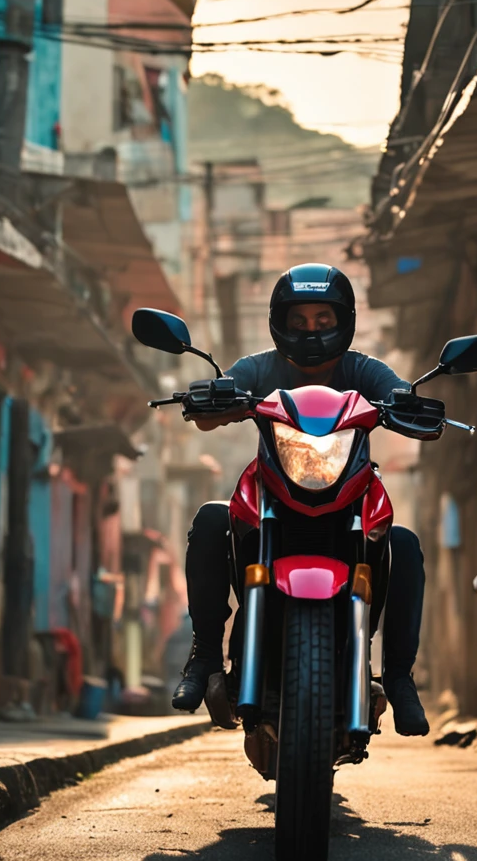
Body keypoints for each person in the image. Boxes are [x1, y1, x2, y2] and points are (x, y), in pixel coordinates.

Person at [172, 262, 429, 736]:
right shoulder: (259, 367)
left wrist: (410, 404)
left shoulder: (363, 370)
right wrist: (209, 397)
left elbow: (400, 398)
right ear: (281, 323)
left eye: (323, 320)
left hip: (349, 494)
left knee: (405, 544)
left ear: (343, 321)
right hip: (274, 493)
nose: (312, 330)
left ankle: (398, 676)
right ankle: (204, 653)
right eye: (300, 321)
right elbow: (209, 415)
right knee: (211, 520)